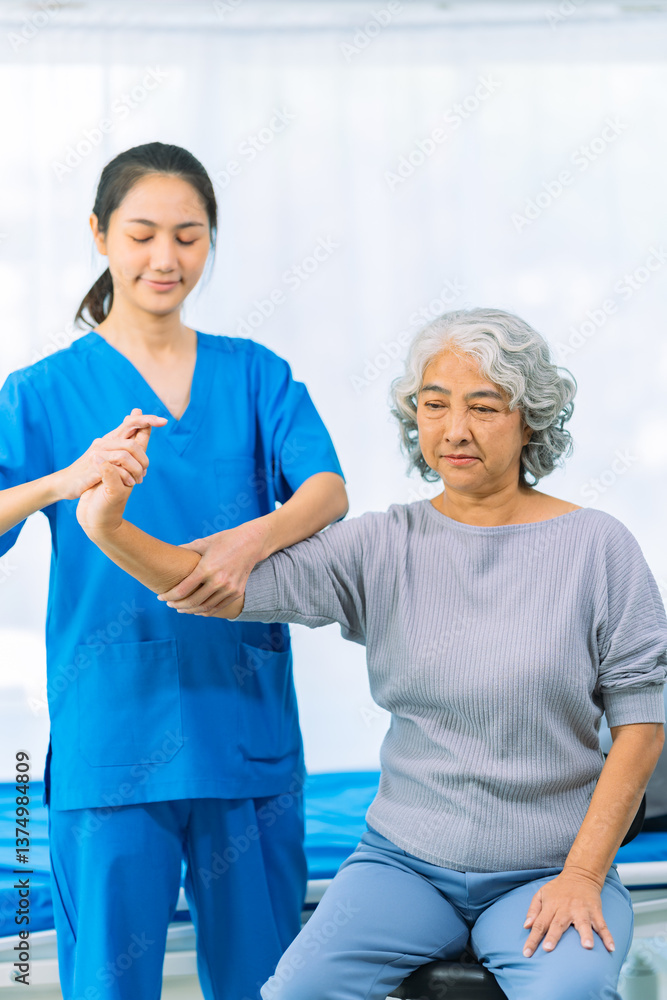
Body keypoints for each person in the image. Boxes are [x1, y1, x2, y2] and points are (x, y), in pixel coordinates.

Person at [75, 307, 666, 1000]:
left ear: (528, 418)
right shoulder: (382, 546)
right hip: (404, 867)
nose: (454, 430)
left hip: (548, 868)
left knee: (566, 994)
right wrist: (107, 524)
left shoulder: (597, 547)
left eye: (483, 406)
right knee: (294, 992)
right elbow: (210, 586)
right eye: (434, 404)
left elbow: (641, 723)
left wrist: (582, 874)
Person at [0, 142, 348, 1000]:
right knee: (107, 987)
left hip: (243, 733)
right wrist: (60, 479)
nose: (166, 259)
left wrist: (248, 540)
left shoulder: (254, 373)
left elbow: (327, 490)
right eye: (143, 234)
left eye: (189, 237)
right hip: (112, 737)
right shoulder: (40, 393)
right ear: (99, 235)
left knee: (262, 984)